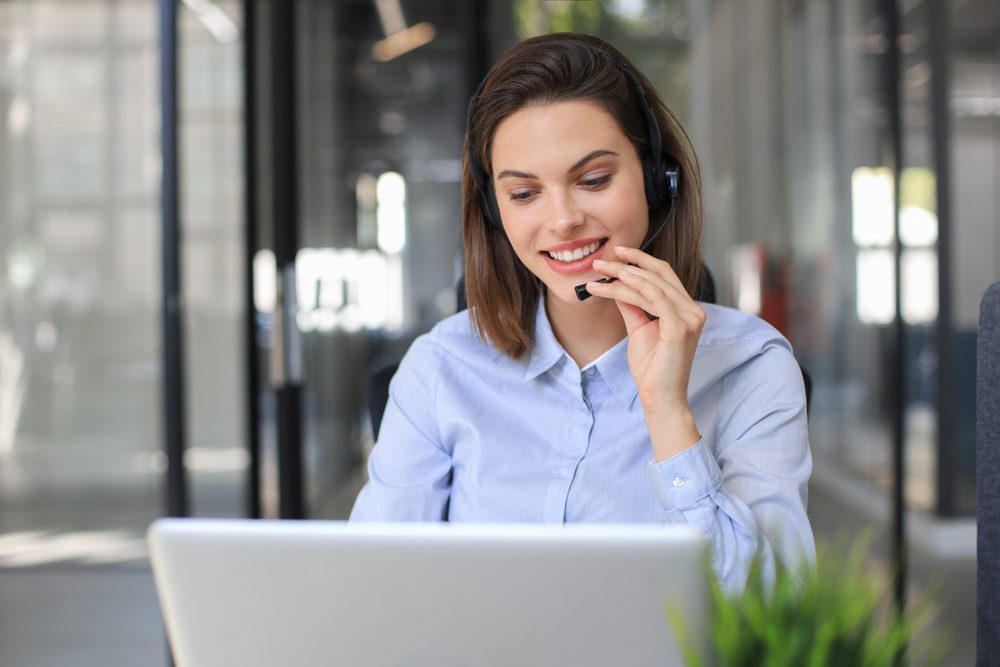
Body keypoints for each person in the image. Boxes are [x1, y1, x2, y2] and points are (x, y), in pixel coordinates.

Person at [350, 32, 814, 592]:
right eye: (524, 194)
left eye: (592, 180)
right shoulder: (440, 370)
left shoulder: (751, 368)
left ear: (656, 180)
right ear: (497, 214)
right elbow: (374, 590)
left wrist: (667, 411)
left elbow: (774, 615)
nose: (563, 219)